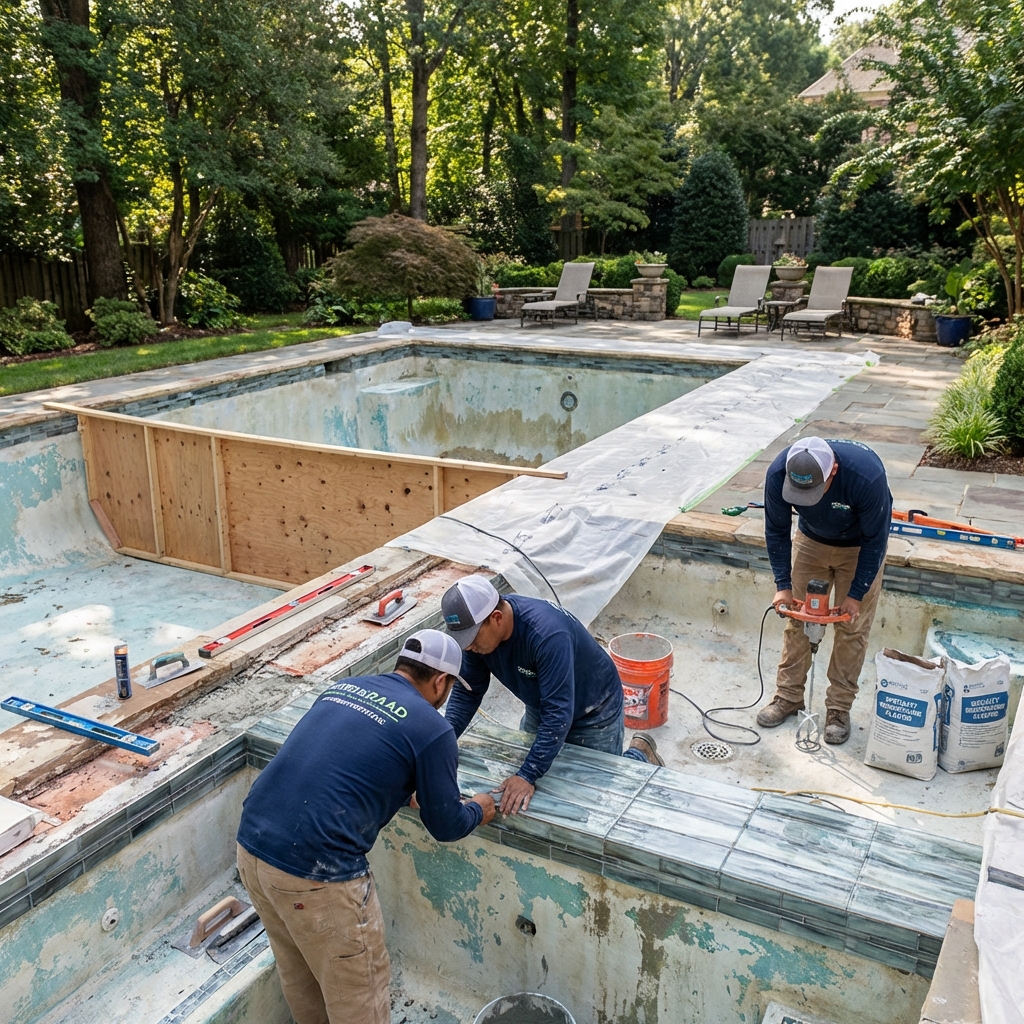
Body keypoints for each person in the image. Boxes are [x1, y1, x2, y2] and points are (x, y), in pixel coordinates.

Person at [236, 629, 495, 1024]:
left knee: (301, 974)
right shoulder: (433, 728)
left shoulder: (344, 688)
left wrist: (397, 789)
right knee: (360, 995)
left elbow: (342, 762)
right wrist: (481, 807)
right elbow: (445, 824)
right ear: (441, 682)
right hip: (318, 874)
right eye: (447, 689)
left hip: (252, 846)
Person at [441, 574, 663, 815]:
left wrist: (527, 774)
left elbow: (558, 714)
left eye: (471, 639)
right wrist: (444, 741)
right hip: (543, 704)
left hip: (594, 709)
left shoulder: (546, 635)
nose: (467, 647)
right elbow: (467, 692)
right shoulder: (478, 636)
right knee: (543, 783)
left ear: (496, 618)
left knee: (596, 794)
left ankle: (639, 754)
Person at [757, 436, 892, 745]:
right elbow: (776, 529)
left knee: (852, 628)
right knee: (799, 620)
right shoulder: (779, 471)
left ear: (832, 471)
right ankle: (788, 697)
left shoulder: (866, 476)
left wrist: (856, 594)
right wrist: (782, 585)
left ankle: (838, 709)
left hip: (859, 547)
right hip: (811, 542)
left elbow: (876, 542)